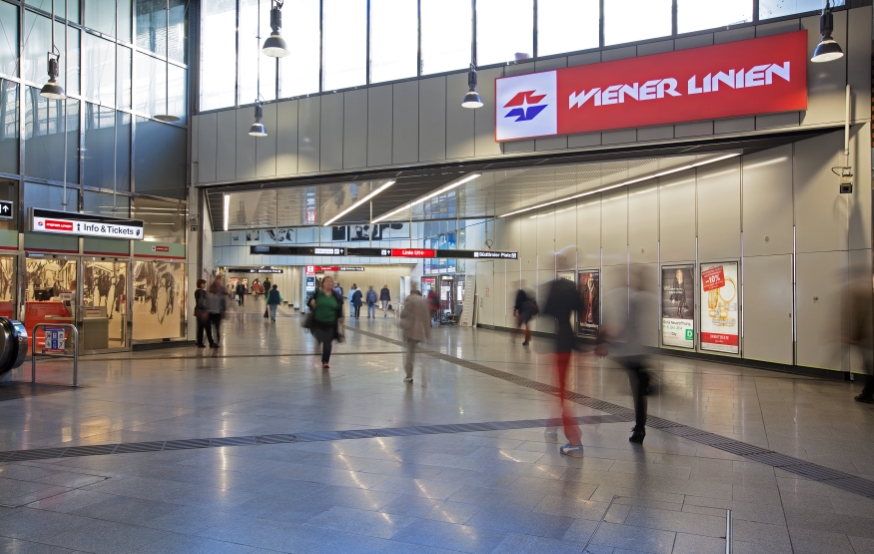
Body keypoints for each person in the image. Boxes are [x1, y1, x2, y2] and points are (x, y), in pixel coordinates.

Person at [598, 268, 654, 444]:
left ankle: (639, 429)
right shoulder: (647, 298)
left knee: (637, 391)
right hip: (641, 351)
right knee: (639, 392)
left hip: (632, 352)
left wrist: (606, 341)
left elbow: (624, 325)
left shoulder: (633, 300)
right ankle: (640, 427)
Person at [542, 266, 584, 458]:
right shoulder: (570, 289)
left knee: (561, 392)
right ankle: (553, 423)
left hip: (561, 343)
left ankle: (575, 441)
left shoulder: (554, 289)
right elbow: (582, 308)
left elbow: (545, 310)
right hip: (567, 339)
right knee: (560, 389)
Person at [845, 270, 874, 403]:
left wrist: (855, 336)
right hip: (868, 338)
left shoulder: (863, 295)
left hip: (868, 338)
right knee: (869, 366)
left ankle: (867, 393)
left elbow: (862, 318)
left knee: (869, 366)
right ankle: (867, 393)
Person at [308, 276, 344, 369]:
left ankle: (325, 361)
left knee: (328, 342)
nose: (329, 283)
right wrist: (311, 303)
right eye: (327, 281)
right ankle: (319, 343)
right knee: (320, 337)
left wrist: (341, 317)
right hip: (318, 322)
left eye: (331, 282)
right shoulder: (318, 294)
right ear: (323, 283)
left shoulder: (336, 295)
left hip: (331, 323)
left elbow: (339, 307)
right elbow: (309, 302)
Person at [400, 283, 430, 383]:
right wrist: (427, 332)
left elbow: (403, 314)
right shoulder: (422, 300)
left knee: (409, 353)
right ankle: (423, 374)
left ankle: (409, 375)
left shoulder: (409, 299)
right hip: (419, 331)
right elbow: (426, 318)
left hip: (410, 330)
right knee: (416, 352)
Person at [194, 279, 216, 348]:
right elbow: (202, 302)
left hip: (198, 312)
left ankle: (199, 342)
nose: (205, 285)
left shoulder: (196, 292)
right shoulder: (201, 292)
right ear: (200, 284)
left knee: (200, 328)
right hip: (203, 312)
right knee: (207, 328)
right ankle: (211, 342)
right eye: (203, 284)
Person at [208, 277, 227, 347]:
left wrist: (224, 310)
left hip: (218, 312)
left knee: (217, 328)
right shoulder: (211, 289)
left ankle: (216, 341)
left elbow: (224, 301)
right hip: (210, 312)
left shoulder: (222, 289)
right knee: (210, 328)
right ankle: (212, 341)